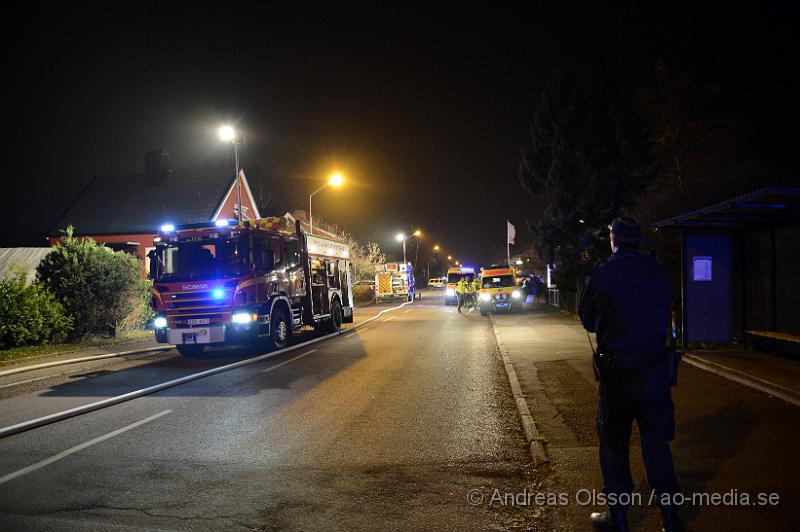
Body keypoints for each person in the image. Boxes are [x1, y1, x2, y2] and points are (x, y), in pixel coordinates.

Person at [578, 216, 682, 532]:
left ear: (613, 240)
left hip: (618, 375)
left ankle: (619, 518)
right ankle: (671, 518)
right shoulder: (657, 273)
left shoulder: (603, 275)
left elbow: (587, 321)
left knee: (614, 445)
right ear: (638, 241)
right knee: (656, 447)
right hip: (653, 373)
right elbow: (669, 310)